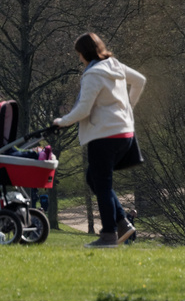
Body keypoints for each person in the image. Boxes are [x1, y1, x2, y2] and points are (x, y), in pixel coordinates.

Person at [52, 31, 147, 248]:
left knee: (102, 184)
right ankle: (122, 223)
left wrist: (62, 121)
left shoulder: (93, 74)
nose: (79, 59)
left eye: (79, 54)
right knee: (93, 178)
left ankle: (108, 235)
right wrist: (127, 109)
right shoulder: (115, 66)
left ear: (84, 53)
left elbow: (84, 109)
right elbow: (140, 81)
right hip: (125, 135)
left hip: (104, 135)